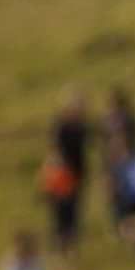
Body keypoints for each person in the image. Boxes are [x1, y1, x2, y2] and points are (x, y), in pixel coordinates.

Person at [48, 91, 90, 256]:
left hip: (75, 177)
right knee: (60, 216)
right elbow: (57, 154)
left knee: (73, 216)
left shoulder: (81, 128)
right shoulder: (61, 127)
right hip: (61, 178)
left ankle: (71, 250)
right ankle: (61, 251)